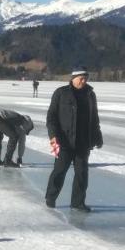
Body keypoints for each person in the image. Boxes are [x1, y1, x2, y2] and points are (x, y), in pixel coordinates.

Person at [44, 68, 103, 211]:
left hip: (83, 142)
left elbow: (94, 118)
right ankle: (50, 198)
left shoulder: (90, 94)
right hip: (64, 140)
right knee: (59, 171)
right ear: (73, 78)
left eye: (86, 78)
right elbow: (51, 117)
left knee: (82, 173)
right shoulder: (61, 93)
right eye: (81, 78)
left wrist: (97, 136)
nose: (83, 81)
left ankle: (77, 202)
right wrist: (53, 136)